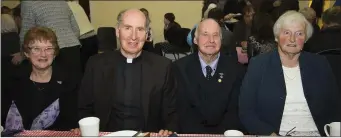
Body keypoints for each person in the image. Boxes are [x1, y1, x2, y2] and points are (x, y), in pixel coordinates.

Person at [73, 9, 177, 136]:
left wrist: (168, 129)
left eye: (140, 29)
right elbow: (84, 107)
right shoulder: (96, 64)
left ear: (146, 34)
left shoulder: (163, 66)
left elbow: (171, 112)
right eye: (128, 28)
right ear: (118, 31)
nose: (134, 36)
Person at [239, 11, 341, 136]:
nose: (292, 39)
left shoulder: (320, 64)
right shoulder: (259, 65)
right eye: (286, 33)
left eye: (299, 34)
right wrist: (270, 134)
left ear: (305, 38)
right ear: (276, 37)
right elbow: (246, 112)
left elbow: (335, 107)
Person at [173, 18, 245, 134]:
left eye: (215, 35)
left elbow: (234, 111)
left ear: (221, 40)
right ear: (196, 40)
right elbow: (181, 112)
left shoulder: (236, 70)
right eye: (205, 35)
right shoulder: (179, 69)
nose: (211, 40)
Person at [4, 27, 79, 131]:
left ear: (55, 53)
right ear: (26, 53)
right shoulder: (12, 81)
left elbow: (74, 121)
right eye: (36, 49)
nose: (43, 54)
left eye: (48, 48)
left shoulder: (70, 81)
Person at [19, 1, 82, 79]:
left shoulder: (28, 2)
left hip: (50, 50)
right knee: (74, 82)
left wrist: (23, 54)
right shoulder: (62, 2)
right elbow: (76, 29)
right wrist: (67, 40)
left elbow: (26, 33)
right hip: (73, 47)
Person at [67, 0, 98, 72]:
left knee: (83, 70)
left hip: (82, 38)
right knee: (93, 68)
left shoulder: (64, 7)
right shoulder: (76, 4)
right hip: (93, 36)